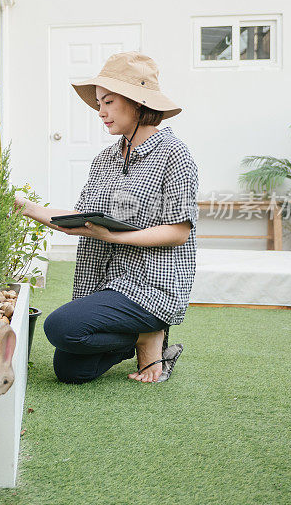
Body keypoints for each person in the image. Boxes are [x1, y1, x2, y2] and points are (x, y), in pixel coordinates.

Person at [14, 51, 199, 384]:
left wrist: (115, 237)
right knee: (71, 370)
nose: (100, 112)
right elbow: (79, 220)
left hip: (150, 283)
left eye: (109, 102)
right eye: (99, 103)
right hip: (104, 280)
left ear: (138, 103)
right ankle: (142, 336)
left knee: (59, 326)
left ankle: (151, 330)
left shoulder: (174, 153)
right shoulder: (105, 159)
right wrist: (24, 207)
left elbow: (178, 231)